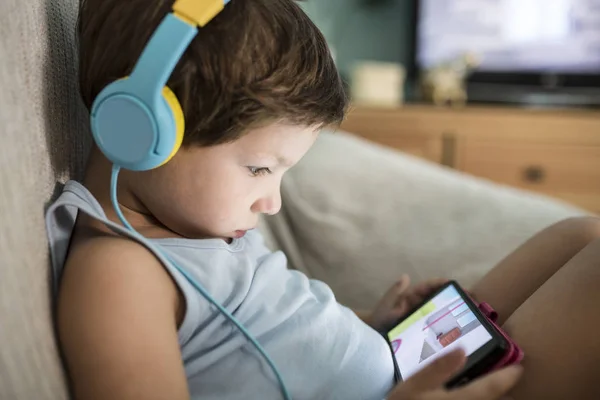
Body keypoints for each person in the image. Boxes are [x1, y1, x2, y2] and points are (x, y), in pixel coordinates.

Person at [45, 0, 600, 399]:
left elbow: (272, 328)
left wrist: (369, 322)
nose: (273, 203)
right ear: (139, 131)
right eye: (260, 168)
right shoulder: (120, 275)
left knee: (582, 234)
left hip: (400, 360)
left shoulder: (192, 223)